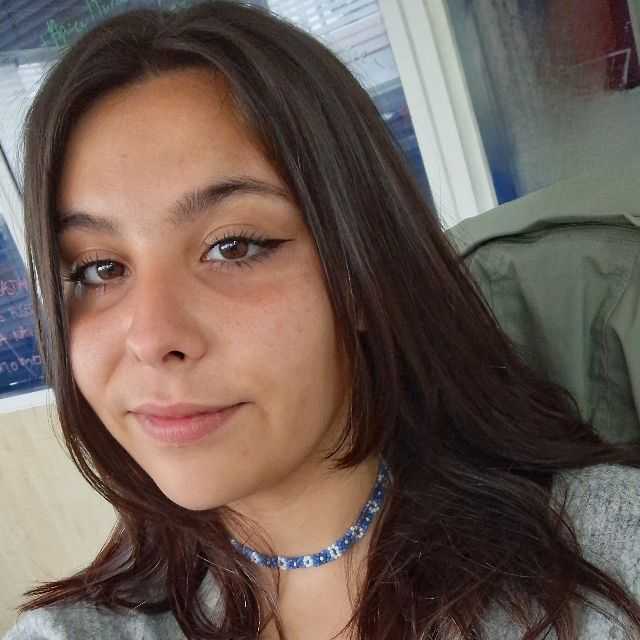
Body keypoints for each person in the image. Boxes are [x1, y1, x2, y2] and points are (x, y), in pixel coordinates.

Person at [3, 1, 640, 639]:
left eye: (233, 246)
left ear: (363, 272)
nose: (151, 338)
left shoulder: (607, 560)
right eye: (98, 269)